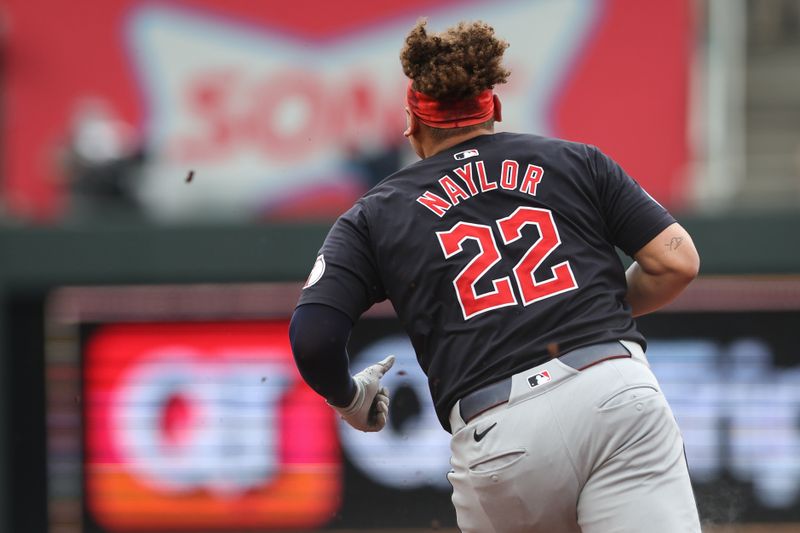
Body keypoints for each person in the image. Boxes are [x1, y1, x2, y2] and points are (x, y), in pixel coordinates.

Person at [290, 19, 702, 533]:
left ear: (412, 128)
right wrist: (588, 306)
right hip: (613, 390)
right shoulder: (575, 160)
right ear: (497, 110)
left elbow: (313, 339)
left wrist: (350, 399)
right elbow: (677, 260)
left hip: (500, 435)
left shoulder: (374, 215)